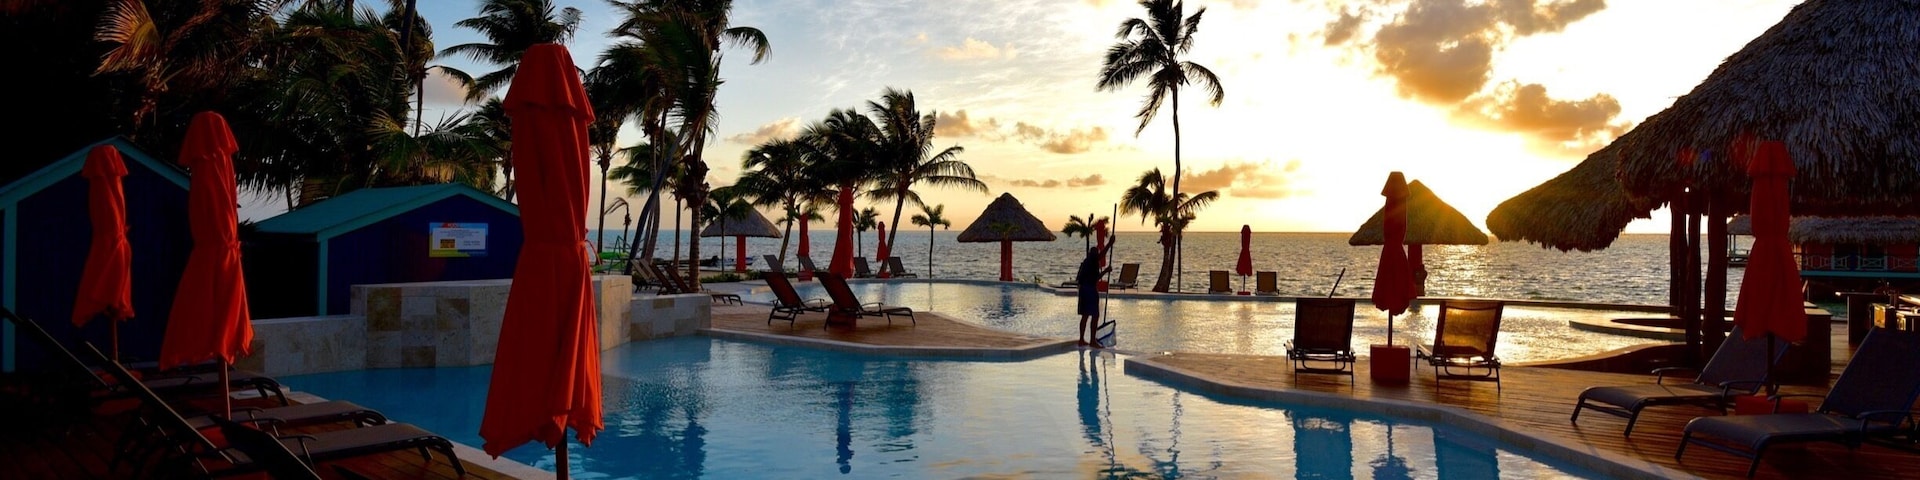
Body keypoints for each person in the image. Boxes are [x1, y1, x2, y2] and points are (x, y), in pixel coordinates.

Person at [1076, 232, 1114, 347]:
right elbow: (1096, 277)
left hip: (1083, 290)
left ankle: (1081, 339)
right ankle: (1092, 341)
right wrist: (1110, 244)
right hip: (1090, 290)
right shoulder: (1093, 261)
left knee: (1085, 315)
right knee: (1094, 315)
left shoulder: (1086, 262)